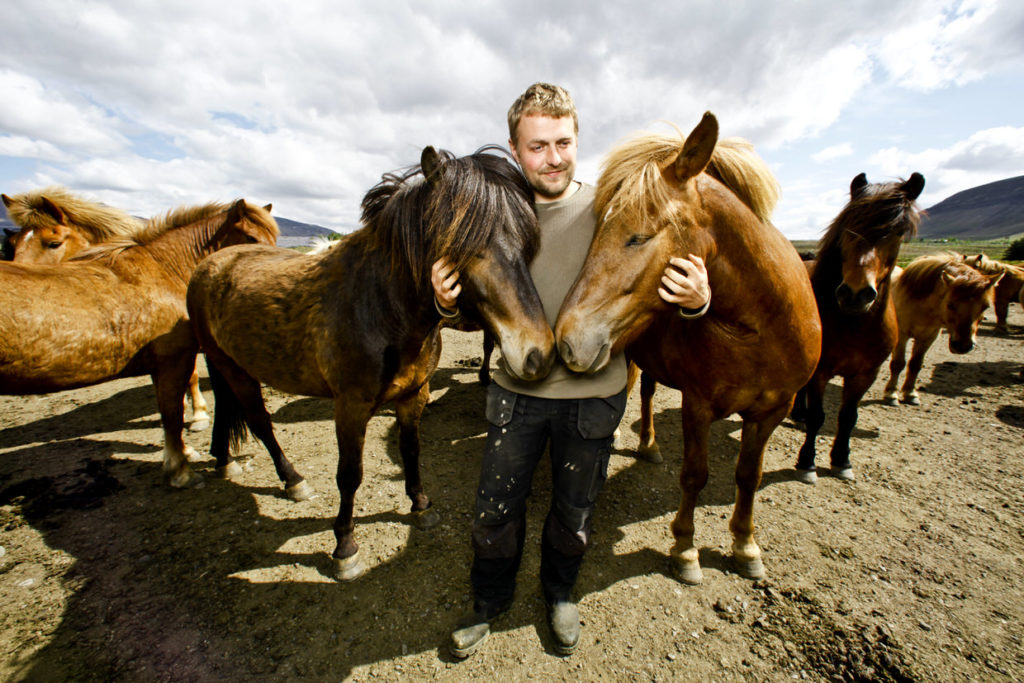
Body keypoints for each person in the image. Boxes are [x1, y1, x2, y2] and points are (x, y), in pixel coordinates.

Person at [432, 82, 711, 658]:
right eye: (537, 146)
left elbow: (659, 276)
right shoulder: (493, 212)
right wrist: (443, 300)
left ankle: (560, 594)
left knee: (574, 510)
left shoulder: (614, 205)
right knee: (495, 507)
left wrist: (698, 299)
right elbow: (474, 303)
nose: (553, 157)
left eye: (563, 142)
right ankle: (489, 601)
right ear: (514, 148)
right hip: (516, 392)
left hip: (595, 395)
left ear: (578, 139)